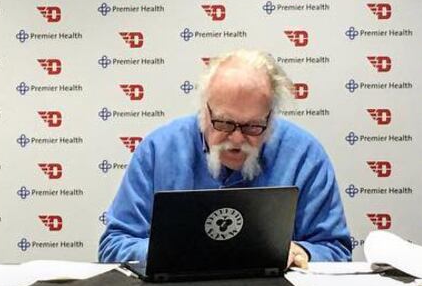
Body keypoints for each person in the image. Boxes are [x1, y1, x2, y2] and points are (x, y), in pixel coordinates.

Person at [97, 48, 351, 269]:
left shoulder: (304, 155)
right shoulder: (159, 150)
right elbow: (114, 245)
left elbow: (335, 250)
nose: (237, 139)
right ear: (204, 110)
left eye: (253, 126)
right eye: (224, 123)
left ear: (271, 116)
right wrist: (172, 254)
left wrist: (303, 253)